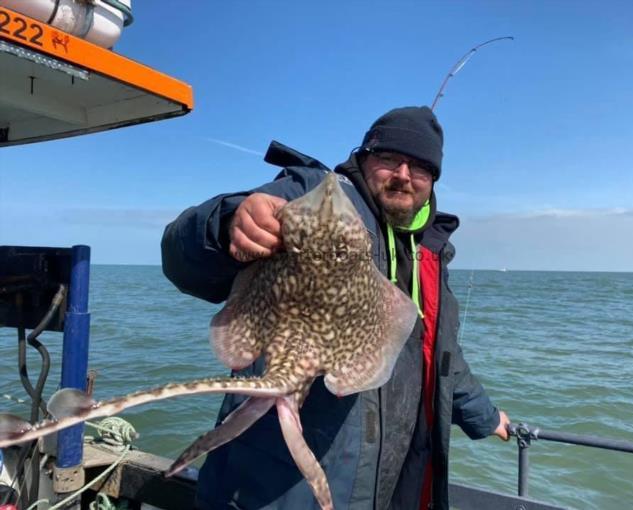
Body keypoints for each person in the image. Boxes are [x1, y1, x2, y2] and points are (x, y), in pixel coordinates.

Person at [161, 106, 510, 510]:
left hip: (389, 484)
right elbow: (181, 258)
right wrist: (227, 223)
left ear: (432, 181)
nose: (402, 174)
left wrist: (483, 416)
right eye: (388, 158)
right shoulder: (317, 195)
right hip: (278, 492)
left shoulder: (428, 253)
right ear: (364, 156)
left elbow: (440, 355)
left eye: (420, 167)